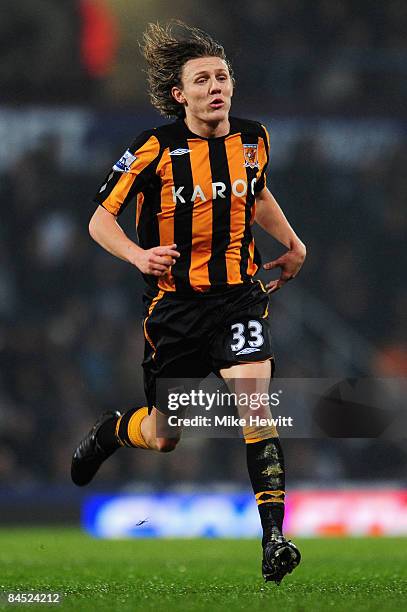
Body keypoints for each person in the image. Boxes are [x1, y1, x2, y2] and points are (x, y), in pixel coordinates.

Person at [71, 21, 306, 584]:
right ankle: (113, 431)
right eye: (202, 79)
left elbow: (257, 191)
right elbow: (100, 219)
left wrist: (292, 243)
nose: (216, 86)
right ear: (180, 95)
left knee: (256, 405)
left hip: (238, 299)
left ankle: (274, 537)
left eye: (222, 76)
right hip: (175, 310)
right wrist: (137, 255)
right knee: (165, 435)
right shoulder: (154, 147)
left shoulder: (254, 138)